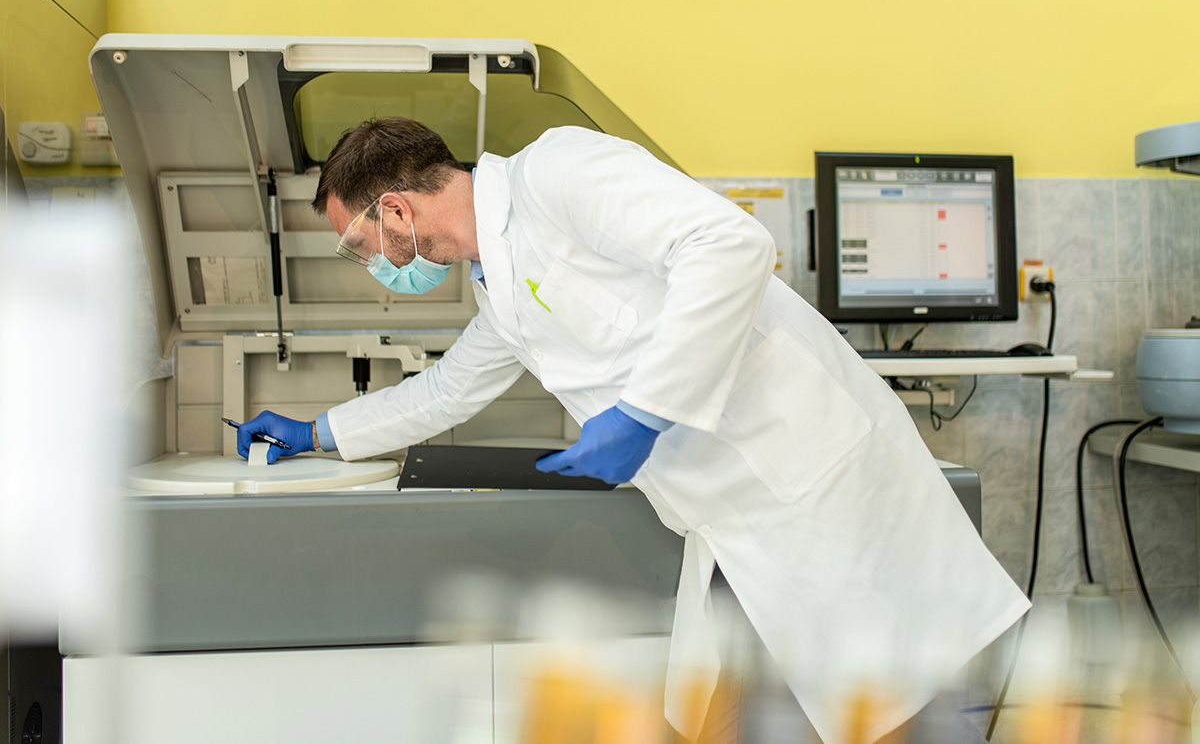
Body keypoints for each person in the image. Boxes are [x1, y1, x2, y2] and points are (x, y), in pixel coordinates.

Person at [239, 117, 1029, 743]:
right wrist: (318, 433)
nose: (370, 262)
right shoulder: (498, 287)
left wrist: (646, 411)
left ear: (398, 210)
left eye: (359, 244)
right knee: (711, 721)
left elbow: (730, 243)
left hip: (817, 501)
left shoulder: (557, 174)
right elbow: (447, 389)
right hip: (736, 534)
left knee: (881, 716)